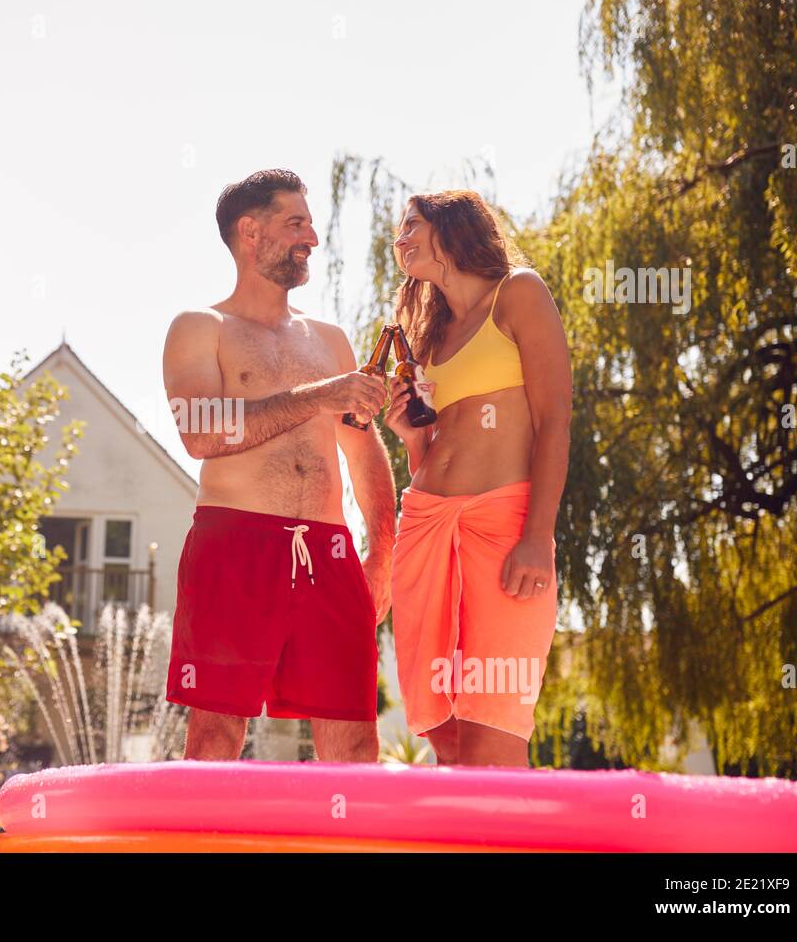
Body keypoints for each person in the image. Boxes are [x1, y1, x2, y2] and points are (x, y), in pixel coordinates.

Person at [161, 169, 395, 761]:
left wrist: (384, 552)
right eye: (296, 223)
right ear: (250, 231)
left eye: (310, 225)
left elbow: (364, 449)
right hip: (234, 542)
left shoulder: (331, 339)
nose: (312, 238)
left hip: (330, 552)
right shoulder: (199, 328)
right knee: (216, 734)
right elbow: (202, 433)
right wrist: (319, 395)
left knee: (355, 734)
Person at [383, 190, 571, 767]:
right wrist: (414, 441)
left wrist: (539, 536)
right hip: (424, 524)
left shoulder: (518, 292)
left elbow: (554, 418)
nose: (400, 238)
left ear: (451, 227)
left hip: (503, 523)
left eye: (411, 224)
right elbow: (437, 454)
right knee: (444, 732)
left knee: (494, 725)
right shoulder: (431, 334)